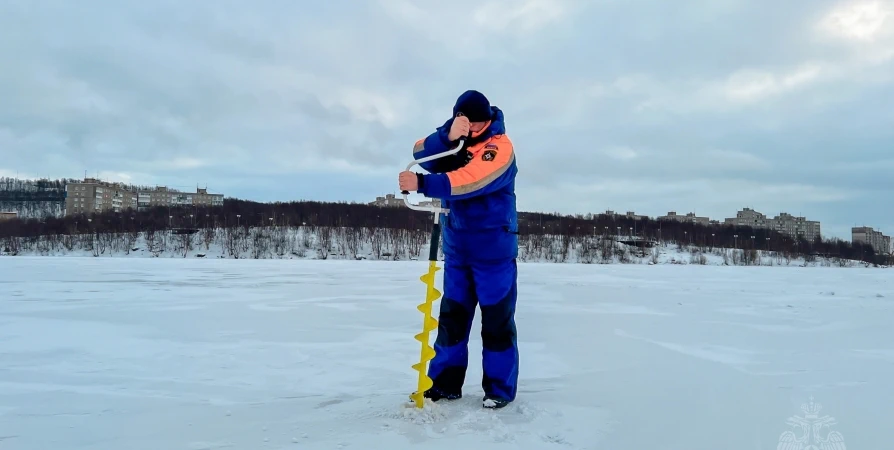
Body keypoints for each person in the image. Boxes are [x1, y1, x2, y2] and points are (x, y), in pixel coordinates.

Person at [398, 89, 519, 409]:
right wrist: (448, 135)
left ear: (488, 120)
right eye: (468, 123)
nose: (474, 129)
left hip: (493, 251)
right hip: (458, 249)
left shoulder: (500, 147)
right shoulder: (455, 141)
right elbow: (420, 150)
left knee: (497, 323)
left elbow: (471, 181)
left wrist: (422, 185)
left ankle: (498, 390)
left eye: (479, 124)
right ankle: (444, 384)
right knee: (451, 320)